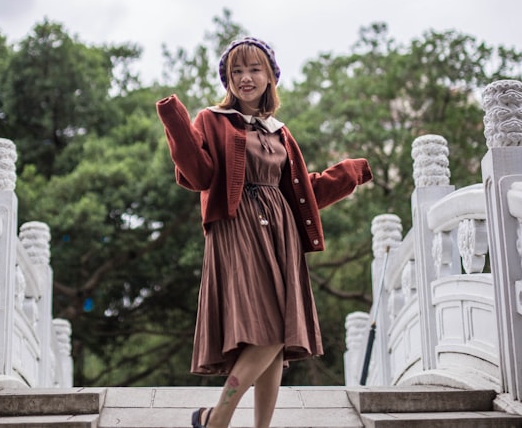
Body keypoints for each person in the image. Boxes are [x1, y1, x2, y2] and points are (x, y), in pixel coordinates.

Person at [156, 36, 372, 428]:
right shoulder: (212, 120)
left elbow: (301, 193)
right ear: (227, 80)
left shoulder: (279, 132)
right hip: (238, 228)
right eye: (236, 71)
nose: (245, 78)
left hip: (280, 233)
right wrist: (176, 123)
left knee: (278, 336)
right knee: (269, 329)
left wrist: (349, 174)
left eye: (254, 69)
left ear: (270, 75)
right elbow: (199, 175)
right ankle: (218, 417)